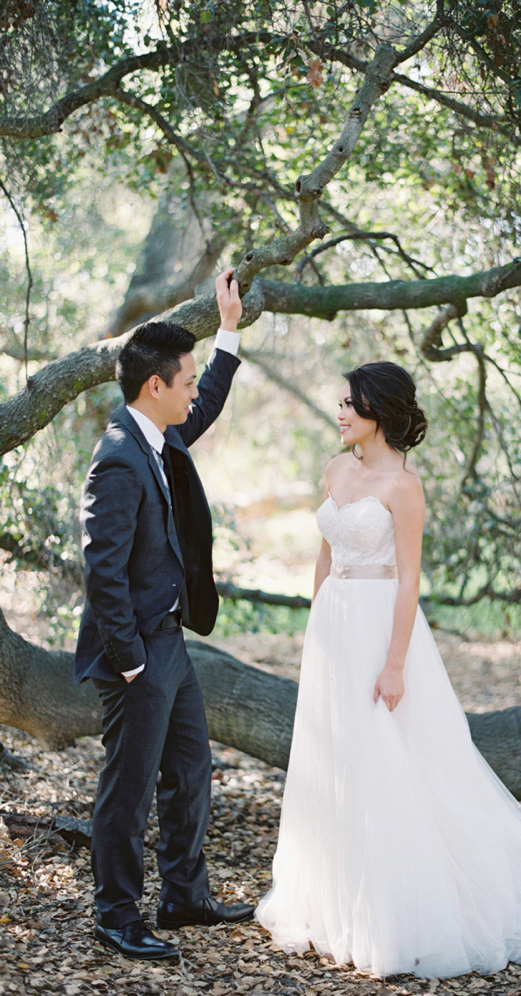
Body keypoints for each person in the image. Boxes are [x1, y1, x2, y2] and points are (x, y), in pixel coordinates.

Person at [255, 361, 521, 979]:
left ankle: (396, 910)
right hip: (334, 627)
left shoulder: (403, 487)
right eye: (338, 402)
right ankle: (335, 901)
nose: (338, 414)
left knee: (387, 761)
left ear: (377, 414)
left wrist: (393, 664)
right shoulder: (336, 469)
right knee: (338, 758)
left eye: (348, 404)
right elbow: (325, 555)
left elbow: (410, 580)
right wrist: (315, 631)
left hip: (380, 626)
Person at [74, 270, 254, 961]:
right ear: (155, 387)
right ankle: (116, 914)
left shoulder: (160, 433)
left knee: (190, 771)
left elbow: (205, 402)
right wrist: (129, 660)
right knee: (128, 787)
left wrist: (228, 328)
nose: (192, 391)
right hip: (137, 654)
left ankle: (184, 897)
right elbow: (103, 573)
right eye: (184, 381)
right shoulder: (118, 461)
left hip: (171, 644)